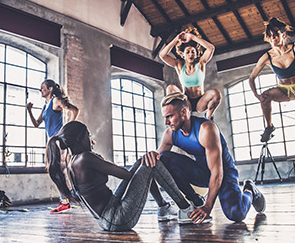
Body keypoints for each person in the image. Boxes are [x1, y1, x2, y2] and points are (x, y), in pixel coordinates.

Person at [46, 121, 206, 232]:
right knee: (152, 163)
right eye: (88, 136)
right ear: (78, 140)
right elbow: (125, 174)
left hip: (107, 218)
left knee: (143, 161)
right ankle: (185, 209)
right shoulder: (86, 158)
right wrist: (99, 158)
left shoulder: (73, 161)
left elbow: (128, 176)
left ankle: (163, 208)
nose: (91, 139)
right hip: (117, 219)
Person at [143, 92, 266, 223]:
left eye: (170, 116)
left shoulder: (206, 129)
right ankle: (195, 200)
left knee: (236, 214)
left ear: (184, 112)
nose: (166, 122)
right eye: (165, 117)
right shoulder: (170, 133)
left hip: (223, 174)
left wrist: (208, 207)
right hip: (202, 172)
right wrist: (151, 155)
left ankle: (250, 190)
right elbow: (158, 160)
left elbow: (217, 172)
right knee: (164, 158)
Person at [27, 79, 79, 213]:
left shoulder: (56, 100)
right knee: (55, 171)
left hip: (59, 141)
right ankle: (65, 200)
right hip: (51, 142)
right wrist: (29, 110)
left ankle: (71, 196)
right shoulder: (46, 105)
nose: (40, 90)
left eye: (42, 88)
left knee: (62, 170)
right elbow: (36, 123)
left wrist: (66, 130)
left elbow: (74, 110)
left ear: (50, 89)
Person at [159, 27, 221, 119]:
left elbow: (211, 48)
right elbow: (162, 55)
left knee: (216, 93)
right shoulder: (179, 65)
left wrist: (192, 37)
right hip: (186, 102)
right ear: (183, 55)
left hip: (201, 101)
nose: (190, 54)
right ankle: (175, 115)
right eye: (187, 52)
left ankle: (208, 116)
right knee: (170, 88)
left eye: (193, 52)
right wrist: (176, 39)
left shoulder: (201, 63)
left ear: (196, 54)